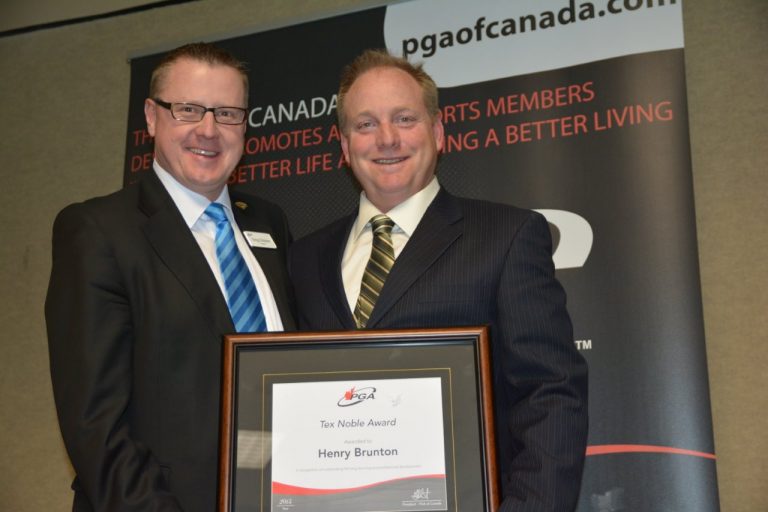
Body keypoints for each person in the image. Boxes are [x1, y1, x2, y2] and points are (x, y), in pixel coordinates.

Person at [289, 49, 588, 511]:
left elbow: (549, 393)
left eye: (404, 118)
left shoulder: (506, 236)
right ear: (345, 147)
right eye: (365, 124)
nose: (386, 138)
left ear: (438, 132)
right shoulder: (305, 258)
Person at [45, 43, 295, 512]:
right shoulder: (97, 231)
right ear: (152, 117)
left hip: (280, 494)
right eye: (188, 110)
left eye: (227, 113)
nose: (209, 130)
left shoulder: (269, 222)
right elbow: (94, 424)